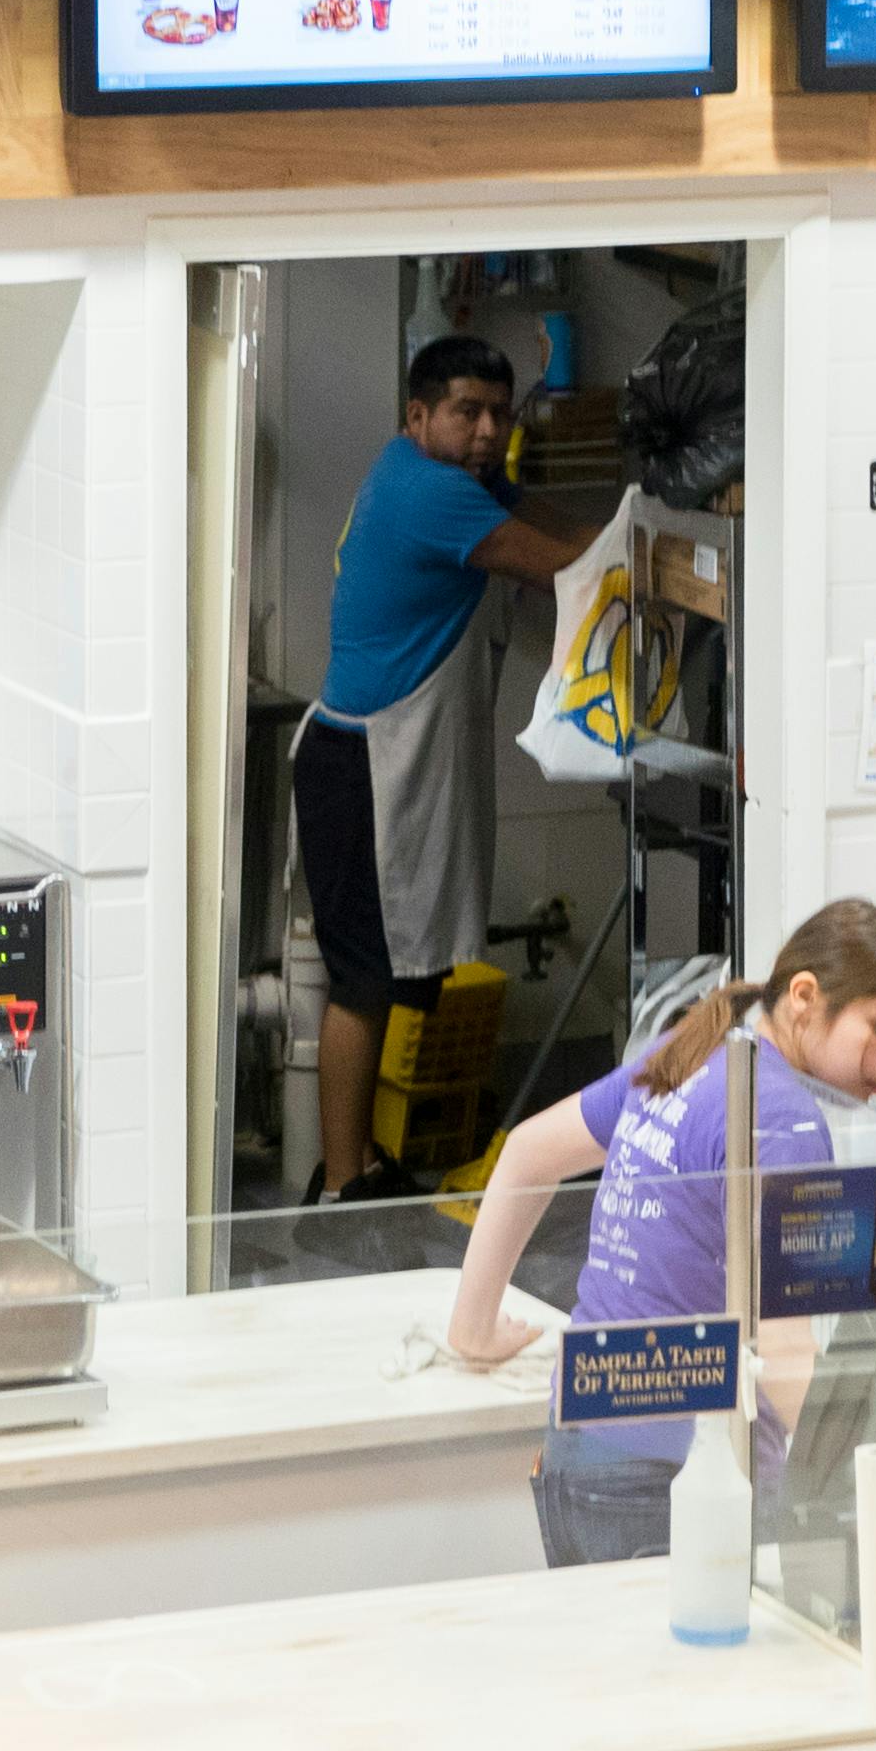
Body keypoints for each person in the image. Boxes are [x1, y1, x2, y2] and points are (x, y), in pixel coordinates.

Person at [440, 899, 876, 1565]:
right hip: (678, 1482)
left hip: (577, 1452)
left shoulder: (689, 1052)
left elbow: (528, 1151)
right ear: (804, 997)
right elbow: (786, 1352)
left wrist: (472, 1328)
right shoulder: (784, 1122)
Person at [296, 332, 598, 1201]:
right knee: (361, 986)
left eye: (500, 413)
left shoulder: (452, 477)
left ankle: (362, 1167)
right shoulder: (429, 494)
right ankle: (343, 1187)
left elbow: (554, 521)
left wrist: (638, 529)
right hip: (361, 765)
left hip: (381, 757)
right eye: (468, 412)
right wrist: (664, 559)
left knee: (387, 976)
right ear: (418, 414)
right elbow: (558, 565)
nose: (488, 431)